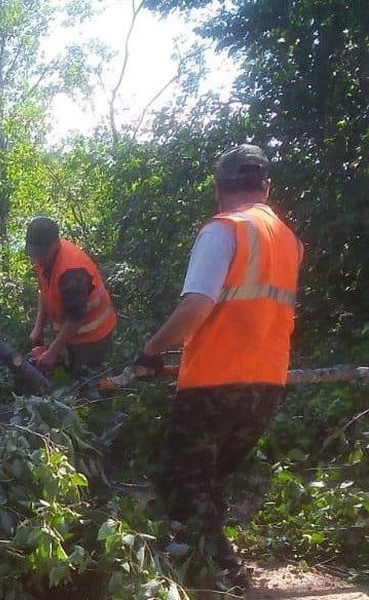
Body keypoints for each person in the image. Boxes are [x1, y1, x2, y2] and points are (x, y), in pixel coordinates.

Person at [136, 144, 303, 591]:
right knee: (210, 484)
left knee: (179, 481)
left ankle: (225, 580)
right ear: (266, 186)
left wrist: (151, 350)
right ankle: (196, 571)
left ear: (218, 187)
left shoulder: (223, 230)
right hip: (266, 384)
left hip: (214, 382)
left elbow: (198, 305)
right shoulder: (288, 239)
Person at [26, 215, 116, 394]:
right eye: (35, 253)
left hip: (93, 338)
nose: (39, 259)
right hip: (71, 335)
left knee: (85, 386)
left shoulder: (71, 272)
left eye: (43, 253)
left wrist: (52, 352)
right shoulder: (41, 258)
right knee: (67, 379)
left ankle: (96, 411)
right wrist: (38, 327)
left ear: (55, 243)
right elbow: (44, 289)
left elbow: (76, 318)